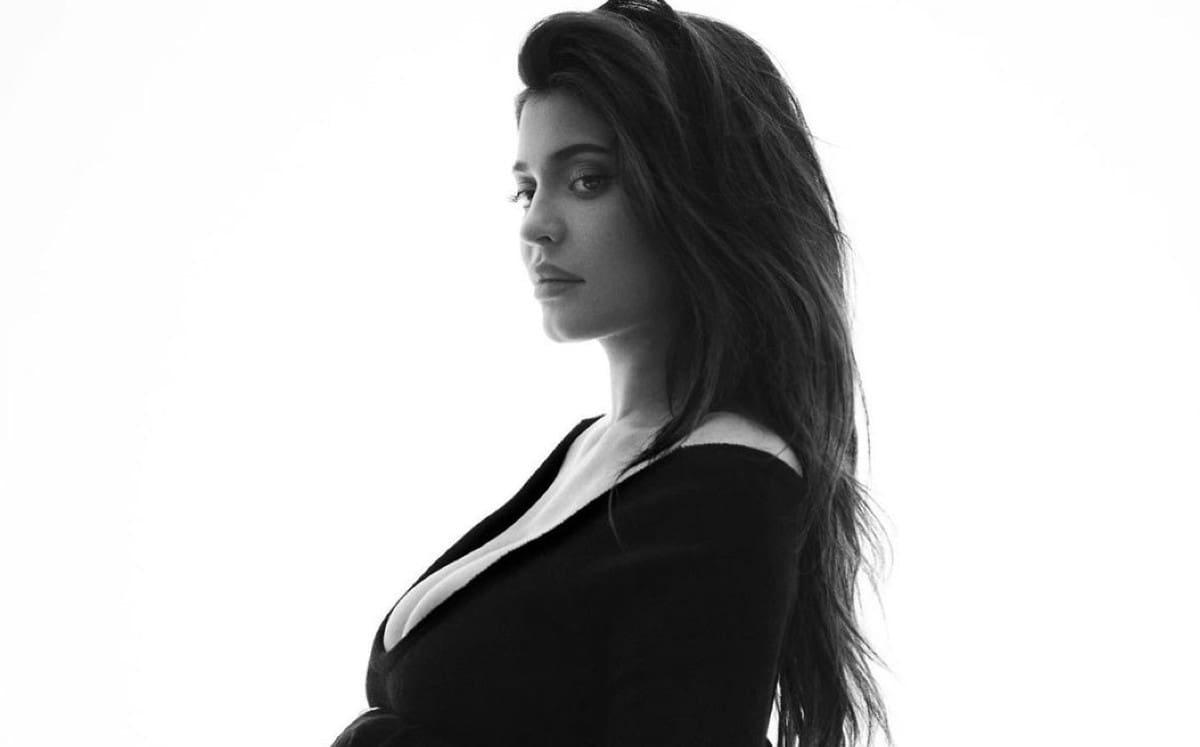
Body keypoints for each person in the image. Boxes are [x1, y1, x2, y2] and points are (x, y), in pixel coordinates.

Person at [330, 1, 890, 745]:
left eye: (588, 180)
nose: (536, 224)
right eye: (527, 187)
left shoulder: (726, 489)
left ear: (702, 196)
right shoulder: (593, 448)